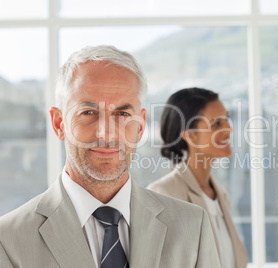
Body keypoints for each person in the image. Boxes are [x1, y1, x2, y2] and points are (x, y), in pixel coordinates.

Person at [0, 46, 220, 268]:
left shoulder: (192, 227)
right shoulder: (8, 240)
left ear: (140, 126)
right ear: (59, 124)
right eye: (88, 113)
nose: (107, 133)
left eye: (123, 114)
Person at [147, 87, 248, 268]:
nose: (229, 129)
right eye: (216, 124)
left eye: (227, 118)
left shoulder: (221, 195)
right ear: (190, 135)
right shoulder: (163, 194)